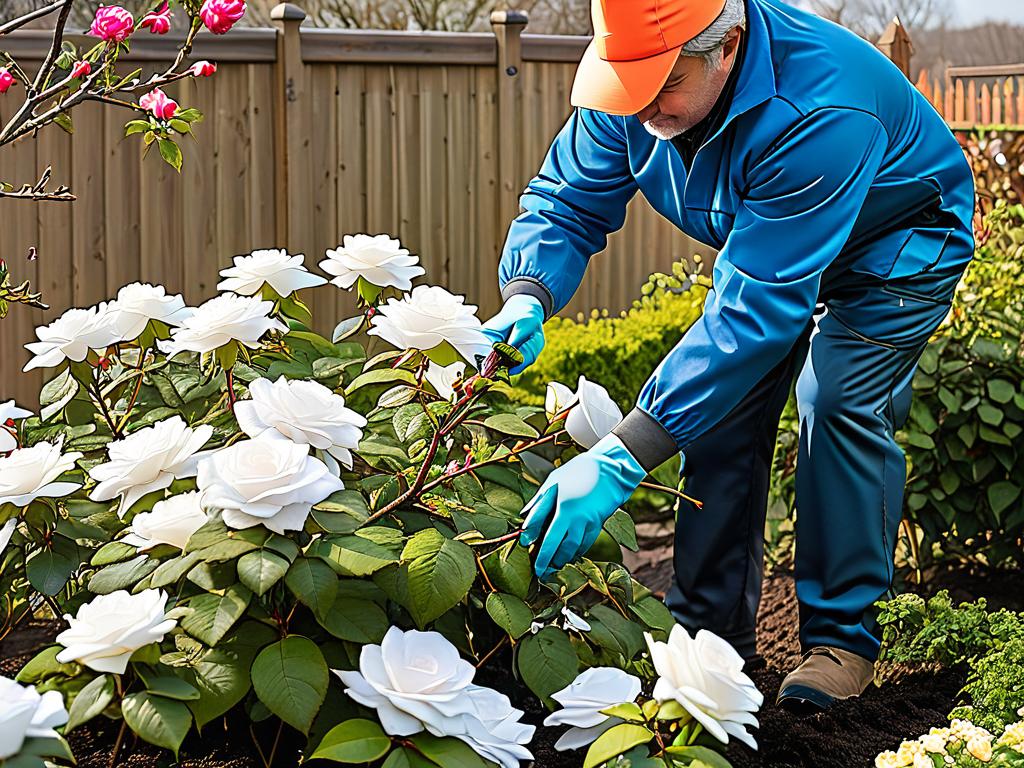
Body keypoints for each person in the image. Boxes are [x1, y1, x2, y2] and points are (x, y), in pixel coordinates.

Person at [480, 0, 976, 714]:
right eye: (630, 84)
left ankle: (843, 641)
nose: (642, 105)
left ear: (729, 46)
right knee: (715, 412)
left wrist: (622, 456)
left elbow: (757, 310)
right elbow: (567, 198)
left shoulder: (820, 105)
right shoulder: (631, 80)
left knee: (834, 402)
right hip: (773, 239)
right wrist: (527, 292)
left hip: (896, 244)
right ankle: (711, 639)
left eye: (665, 81)